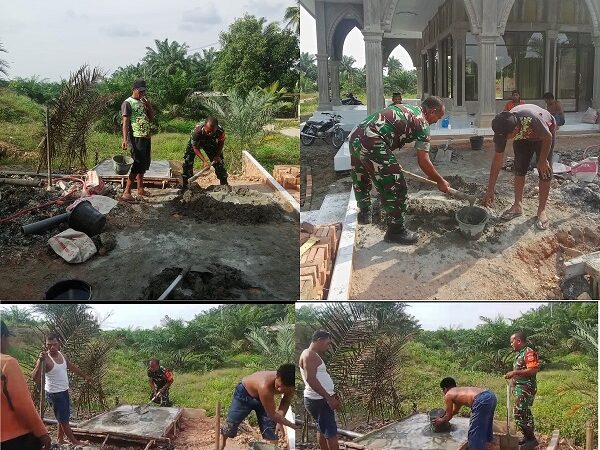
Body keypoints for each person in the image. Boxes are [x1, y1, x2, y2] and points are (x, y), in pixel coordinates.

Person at [349, 96, 449, 244]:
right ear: (432, 111)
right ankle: (396, 231)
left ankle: (364, 212)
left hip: (356, 136)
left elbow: (388, 131)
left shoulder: (407, 109)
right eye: (438, 117)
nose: (436, 122)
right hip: (372, 142)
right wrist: (440, 180)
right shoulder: (422, 122)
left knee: (360, 175)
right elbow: (423, 161)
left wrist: (390, 163)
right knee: (396, 186)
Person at [482, 105, 556, 230]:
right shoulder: (502, 126)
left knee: (544, 171)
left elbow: (548, 137)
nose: (505, 140)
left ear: (515, 129)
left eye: (507, 137)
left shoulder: (532, 118)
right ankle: (517, 205)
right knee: (519, 167)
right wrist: (490, 189)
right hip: (522, 137)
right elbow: (497, 160)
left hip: (544, 135)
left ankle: (541, 210)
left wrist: (543, 160)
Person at [32, 333, 95, 446]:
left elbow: (71, 366)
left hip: (64, 390)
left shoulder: (62, 355)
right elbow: (34, 378)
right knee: (64, 420)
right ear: (46, 345)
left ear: (59, 344)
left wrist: (85, 376)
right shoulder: (45, 358)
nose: (52, 347)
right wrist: (39, 362)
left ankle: (60, 439)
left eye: (54, 344)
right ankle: (75, 441)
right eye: (49, 345)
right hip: (54, 393)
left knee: (62, 417)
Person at [1, 321, 52, 450]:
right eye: (7, 338)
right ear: (2, 337)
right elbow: (22, 404)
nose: (8, 343)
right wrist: (42, 432)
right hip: (13, 438)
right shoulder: (8, 363)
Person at [221, 364, 295, 450]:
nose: (280, 390)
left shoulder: (291, 386)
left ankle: (273, 447)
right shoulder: (264, 386)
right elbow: (272, 415)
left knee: (271, 429)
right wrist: (292, 425)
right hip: (244, 394)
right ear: (277, 376)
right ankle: (222, 444)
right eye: (278, 385)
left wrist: (280, 419)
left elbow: (286, 400)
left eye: (285, 388)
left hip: (264, 399)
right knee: (230, 424)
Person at [299, 330, 339, 450]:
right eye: (327, 343)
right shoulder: (309, 355)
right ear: (319, 340)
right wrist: (329, 398)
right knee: (331, 433)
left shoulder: (311, 354)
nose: (328, 346)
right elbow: (310, 379)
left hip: (319, 399)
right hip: (319, 400)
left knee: (322, 428)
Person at [433, 378, 497, 450]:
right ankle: (489, 445)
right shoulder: (458, 392)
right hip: (491, 395)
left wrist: (440, 420)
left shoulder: (448, 394)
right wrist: (444, 417)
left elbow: (448, 415)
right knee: (486, 424)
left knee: (474, 432)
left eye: (443, 390)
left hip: (481, 399)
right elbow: (454, 412)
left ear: (445, 389)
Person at [121, 79, 155, 201]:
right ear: (134, 89)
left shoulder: (142, 102)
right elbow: (125, 122)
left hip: (146, 136)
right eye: (140, 91)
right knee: (137, 163)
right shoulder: (127, 103)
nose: (142, 94)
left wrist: (148, 105)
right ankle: (127, 191)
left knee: (144, 163)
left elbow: (151, 118)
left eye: (144, 91)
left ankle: (140, 189)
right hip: (136, 137)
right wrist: (125, 139)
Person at [505, 332, 540, 449]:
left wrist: (514, 372)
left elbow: (533, 370)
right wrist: (513, 385)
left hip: (526, 388)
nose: (511, 344)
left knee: (518, 413)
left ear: (518, 341)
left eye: (512, 341)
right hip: (521, 388)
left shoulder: (528, 352)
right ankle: (528, 437)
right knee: (526, 413)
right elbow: (521, 372)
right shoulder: (520, 353)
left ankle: (531, 440)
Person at [180, 116, 228, 190]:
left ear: (216, 128)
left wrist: (217, 156)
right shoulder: (196, 131)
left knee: (219, 163)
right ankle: (186, 186)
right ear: (204, 126)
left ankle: (224, 186)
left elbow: (221, 142)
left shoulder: (220, 130)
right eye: (208, 131)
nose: (210, 133)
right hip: (196, 143)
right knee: (188, 162)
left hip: (210, 143)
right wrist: (204, 161)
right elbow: (195, 148)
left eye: (212, 131)